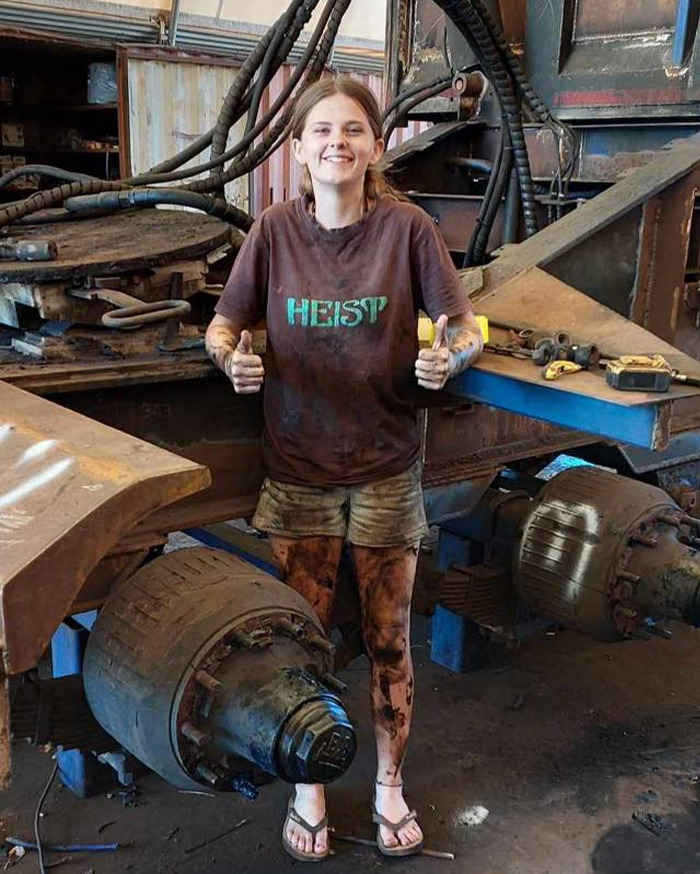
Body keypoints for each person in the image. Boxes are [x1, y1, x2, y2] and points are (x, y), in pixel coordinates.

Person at [205, 75, 483, 862]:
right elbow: (221, 327)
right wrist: (233, 361)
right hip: (298, 474)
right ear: (298, 149)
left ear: (376, 145)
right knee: (305, 639)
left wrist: (447, 358)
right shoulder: (272, 232)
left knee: (391, 639)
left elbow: (463, 325)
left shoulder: (408, 231)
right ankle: (309, 783)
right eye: (321, 130)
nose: (338, 142)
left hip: (386, 471)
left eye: (353, 130)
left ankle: (391, 785)